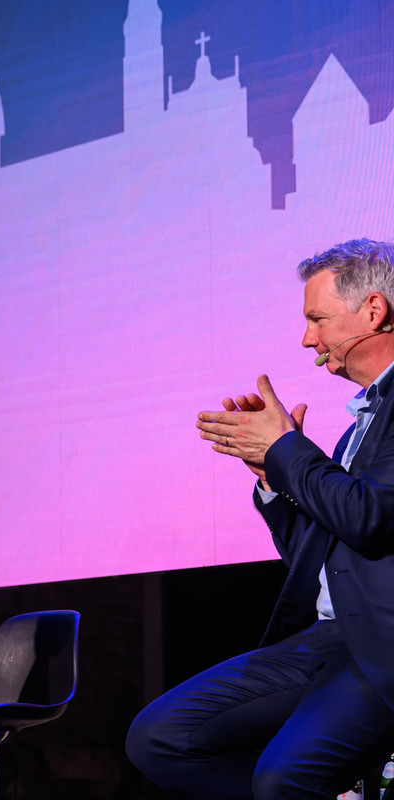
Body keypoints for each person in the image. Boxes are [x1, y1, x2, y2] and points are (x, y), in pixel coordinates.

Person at [127, 238, 394, 799]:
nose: (307, 339)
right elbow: (319, 551)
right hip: (327, 640)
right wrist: (275, 477)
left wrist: (287, 450)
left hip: (381, 645)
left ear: (374, 311)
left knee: (282, 779)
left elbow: (370, 518)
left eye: (318, 319)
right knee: (159, 738)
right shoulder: (360, 426)